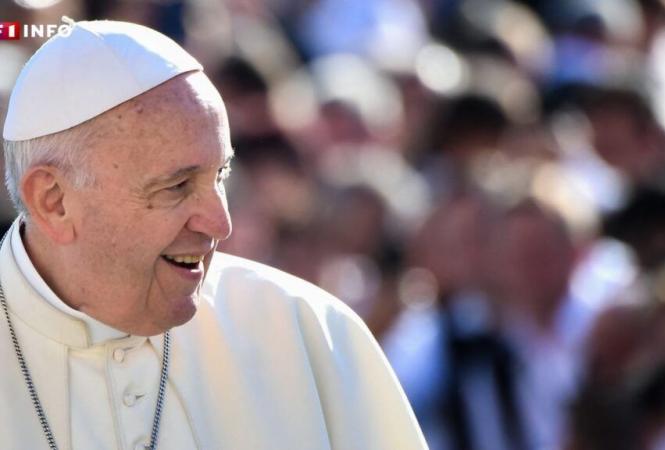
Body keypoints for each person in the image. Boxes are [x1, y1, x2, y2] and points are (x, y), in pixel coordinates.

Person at [0, 19, 427, 450]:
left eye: (220, 175)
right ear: (53, 200)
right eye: (176, 186)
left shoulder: (308, 334)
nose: (221, 223)